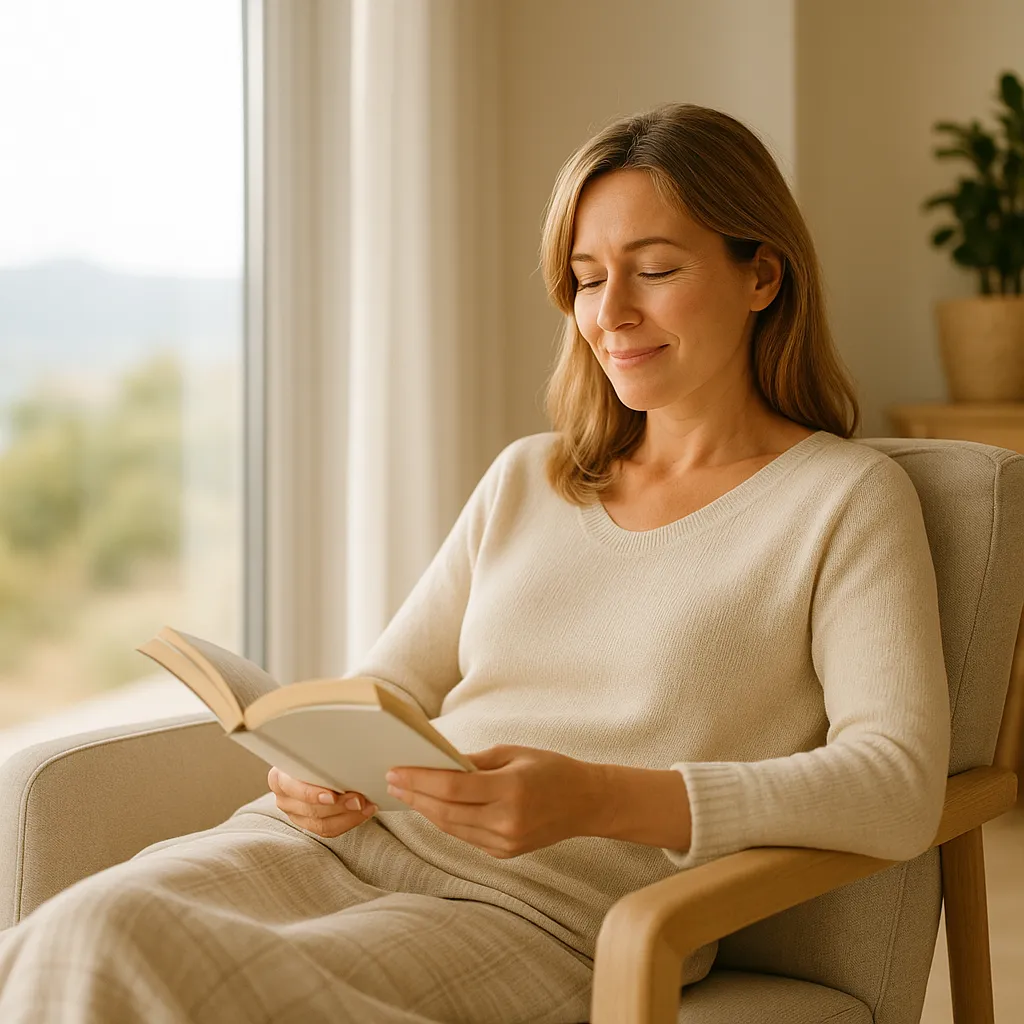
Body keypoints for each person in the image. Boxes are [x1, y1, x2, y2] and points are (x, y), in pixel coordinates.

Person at [0, 102, 950, 1023]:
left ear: (763, 275)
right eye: (584, 278)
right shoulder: (530, 478)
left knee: (107, 951)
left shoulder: (843, 501)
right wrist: (308, 766)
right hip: (313, 848)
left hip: (535, 918)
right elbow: (388, 685)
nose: (610, 312)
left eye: (654, 269)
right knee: (70, 928)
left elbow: (897, 783)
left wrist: (600, 797)